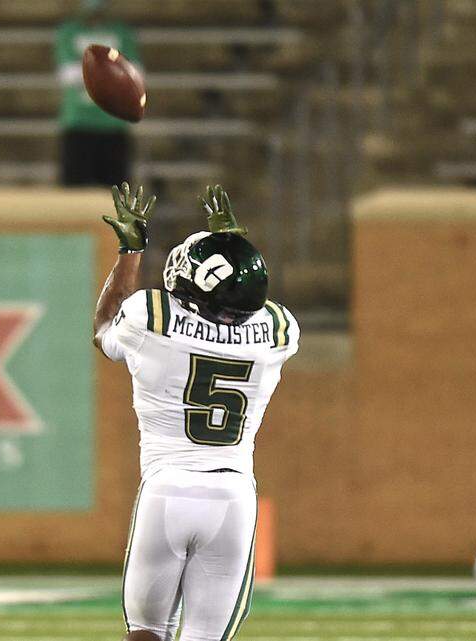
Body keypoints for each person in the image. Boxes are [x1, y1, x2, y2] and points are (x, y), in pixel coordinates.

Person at [92, 183, 299, 640]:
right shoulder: (279, 330)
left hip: (166, 492)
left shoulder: (152, 317)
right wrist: (236, 252)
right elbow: (246, 304)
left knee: (146, 633)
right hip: (232, 497)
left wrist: (131, 250)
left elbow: (104, 327)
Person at [54, 0, 139, 186]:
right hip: (78, 123)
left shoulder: (121, 32)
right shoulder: (69, 31)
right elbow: (67, 74)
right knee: (74, 194)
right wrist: (112, 71)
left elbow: (136, 73)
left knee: (116, 195)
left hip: (114, 124)